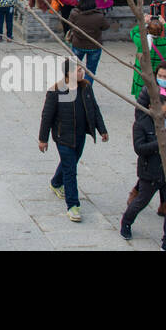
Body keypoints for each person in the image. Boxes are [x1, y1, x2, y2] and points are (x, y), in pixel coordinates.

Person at [120, 72, 166, 249]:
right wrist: (160, 143)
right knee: (141, 201)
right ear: (151, 107)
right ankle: (126, 222)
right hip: (151, 172)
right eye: (161, 113)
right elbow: (139, 149)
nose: (163, 116)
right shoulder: (141, 124)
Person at [39, 59, 108, 222]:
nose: (81, 72)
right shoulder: (55, 91)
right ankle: (73, 206)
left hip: (80, 135)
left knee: (70, 163)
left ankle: (56, 182)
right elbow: (46, 116)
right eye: (78, 70)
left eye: (81, 69)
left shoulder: (86, 87)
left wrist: (102, 129)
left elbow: (94, 108)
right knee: (71, 170)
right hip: (63, 137)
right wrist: (43, 139)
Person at [68, 0, 112, 77]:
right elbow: (106, 26)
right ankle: (86, 90)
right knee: (90, 71)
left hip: (78, 44)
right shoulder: (99, 16)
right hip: (94, 46)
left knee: (73, 69)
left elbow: (69, 24)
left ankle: (73, 88)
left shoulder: (74, 14)